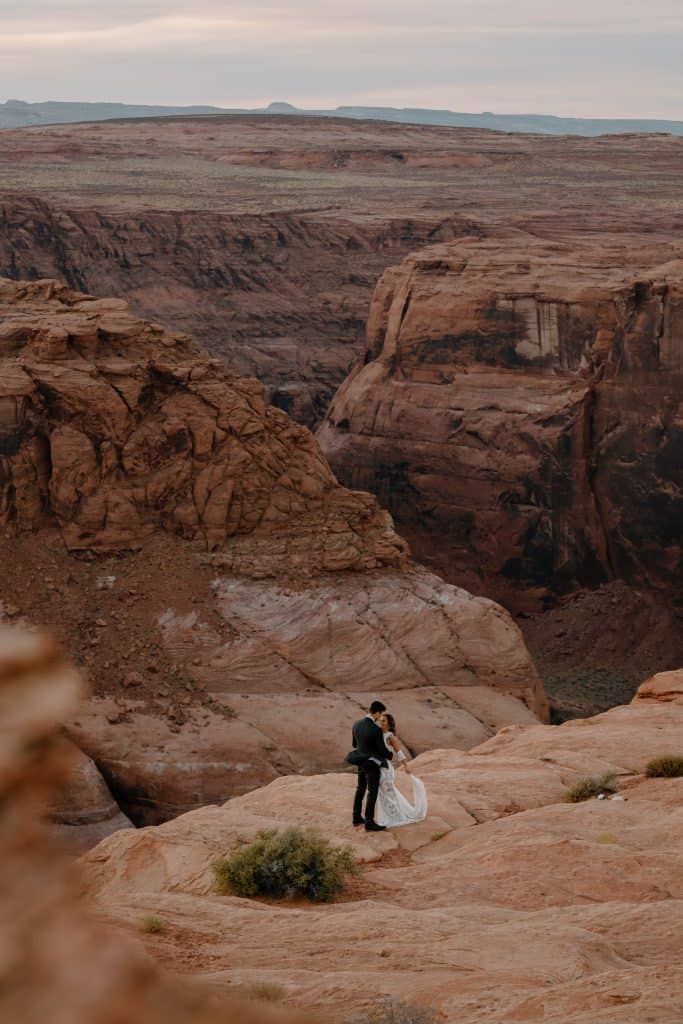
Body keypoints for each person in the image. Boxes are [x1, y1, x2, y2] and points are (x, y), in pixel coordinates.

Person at [374, 712, 427, 827]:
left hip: (386, 770)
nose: (381, 722)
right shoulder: (377, 735)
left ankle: (396, 817)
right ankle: (388, 817)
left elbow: (399, 752)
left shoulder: (390, 736)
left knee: (389, 793)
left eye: (383, 721)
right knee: (382, 793)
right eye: (380, 720)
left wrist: (406, 766)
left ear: (388, 724)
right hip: (377, 768)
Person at [347, 700, 392, 831]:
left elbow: (354, 745)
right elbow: (382, 751)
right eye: (380, 714)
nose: (380, 717)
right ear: (377, 713)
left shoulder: (356, 724)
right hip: (372, 764)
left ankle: (356, 817)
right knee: (372, 792)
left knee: (360, 789)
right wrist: (390, 754)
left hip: (360, 761)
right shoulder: (376, 729)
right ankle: (369, 822)